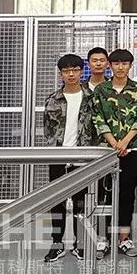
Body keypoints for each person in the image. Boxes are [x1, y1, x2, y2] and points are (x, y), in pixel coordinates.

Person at [90, 49, 137, 257]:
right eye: (116, 63)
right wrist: (114, 142)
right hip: (106, 151)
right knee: (104, 194)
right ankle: (103, 238)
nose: (120, 67)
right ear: (110, 65)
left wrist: (124, 142)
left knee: (127, 194)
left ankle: (124, 238)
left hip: (130, 149)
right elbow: (98, 118)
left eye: (124, 63)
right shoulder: (101, 90)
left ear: (130, 66)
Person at [43, 54, 96, 263]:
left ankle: (79, 243)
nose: (71, 74)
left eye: (75, 70)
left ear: (81, 72)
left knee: (81, 202)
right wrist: (55, 150)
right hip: (58, 156)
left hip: (83, 158)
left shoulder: (92, 98)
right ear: (61, 74)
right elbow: (48, 130)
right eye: (66, 71)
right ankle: (57, 244)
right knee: (57, 202)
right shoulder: (53, 99)